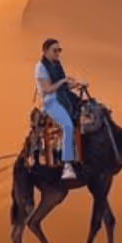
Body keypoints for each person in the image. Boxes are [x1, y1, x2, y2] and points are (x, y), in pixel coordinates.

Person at [35, 39, 82, 180]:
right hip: (51, 102)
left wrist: (77, 84)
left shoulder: (57, 65)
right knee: (67, 126)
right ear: (45, 51)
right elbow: (47, 89)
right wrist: (62, 81)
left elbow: (63, 87)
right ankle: (67, 165)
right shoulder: (40, 67)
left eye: (59, 50)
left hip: (65, 98)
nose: (58, 53)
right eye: (55, 50)